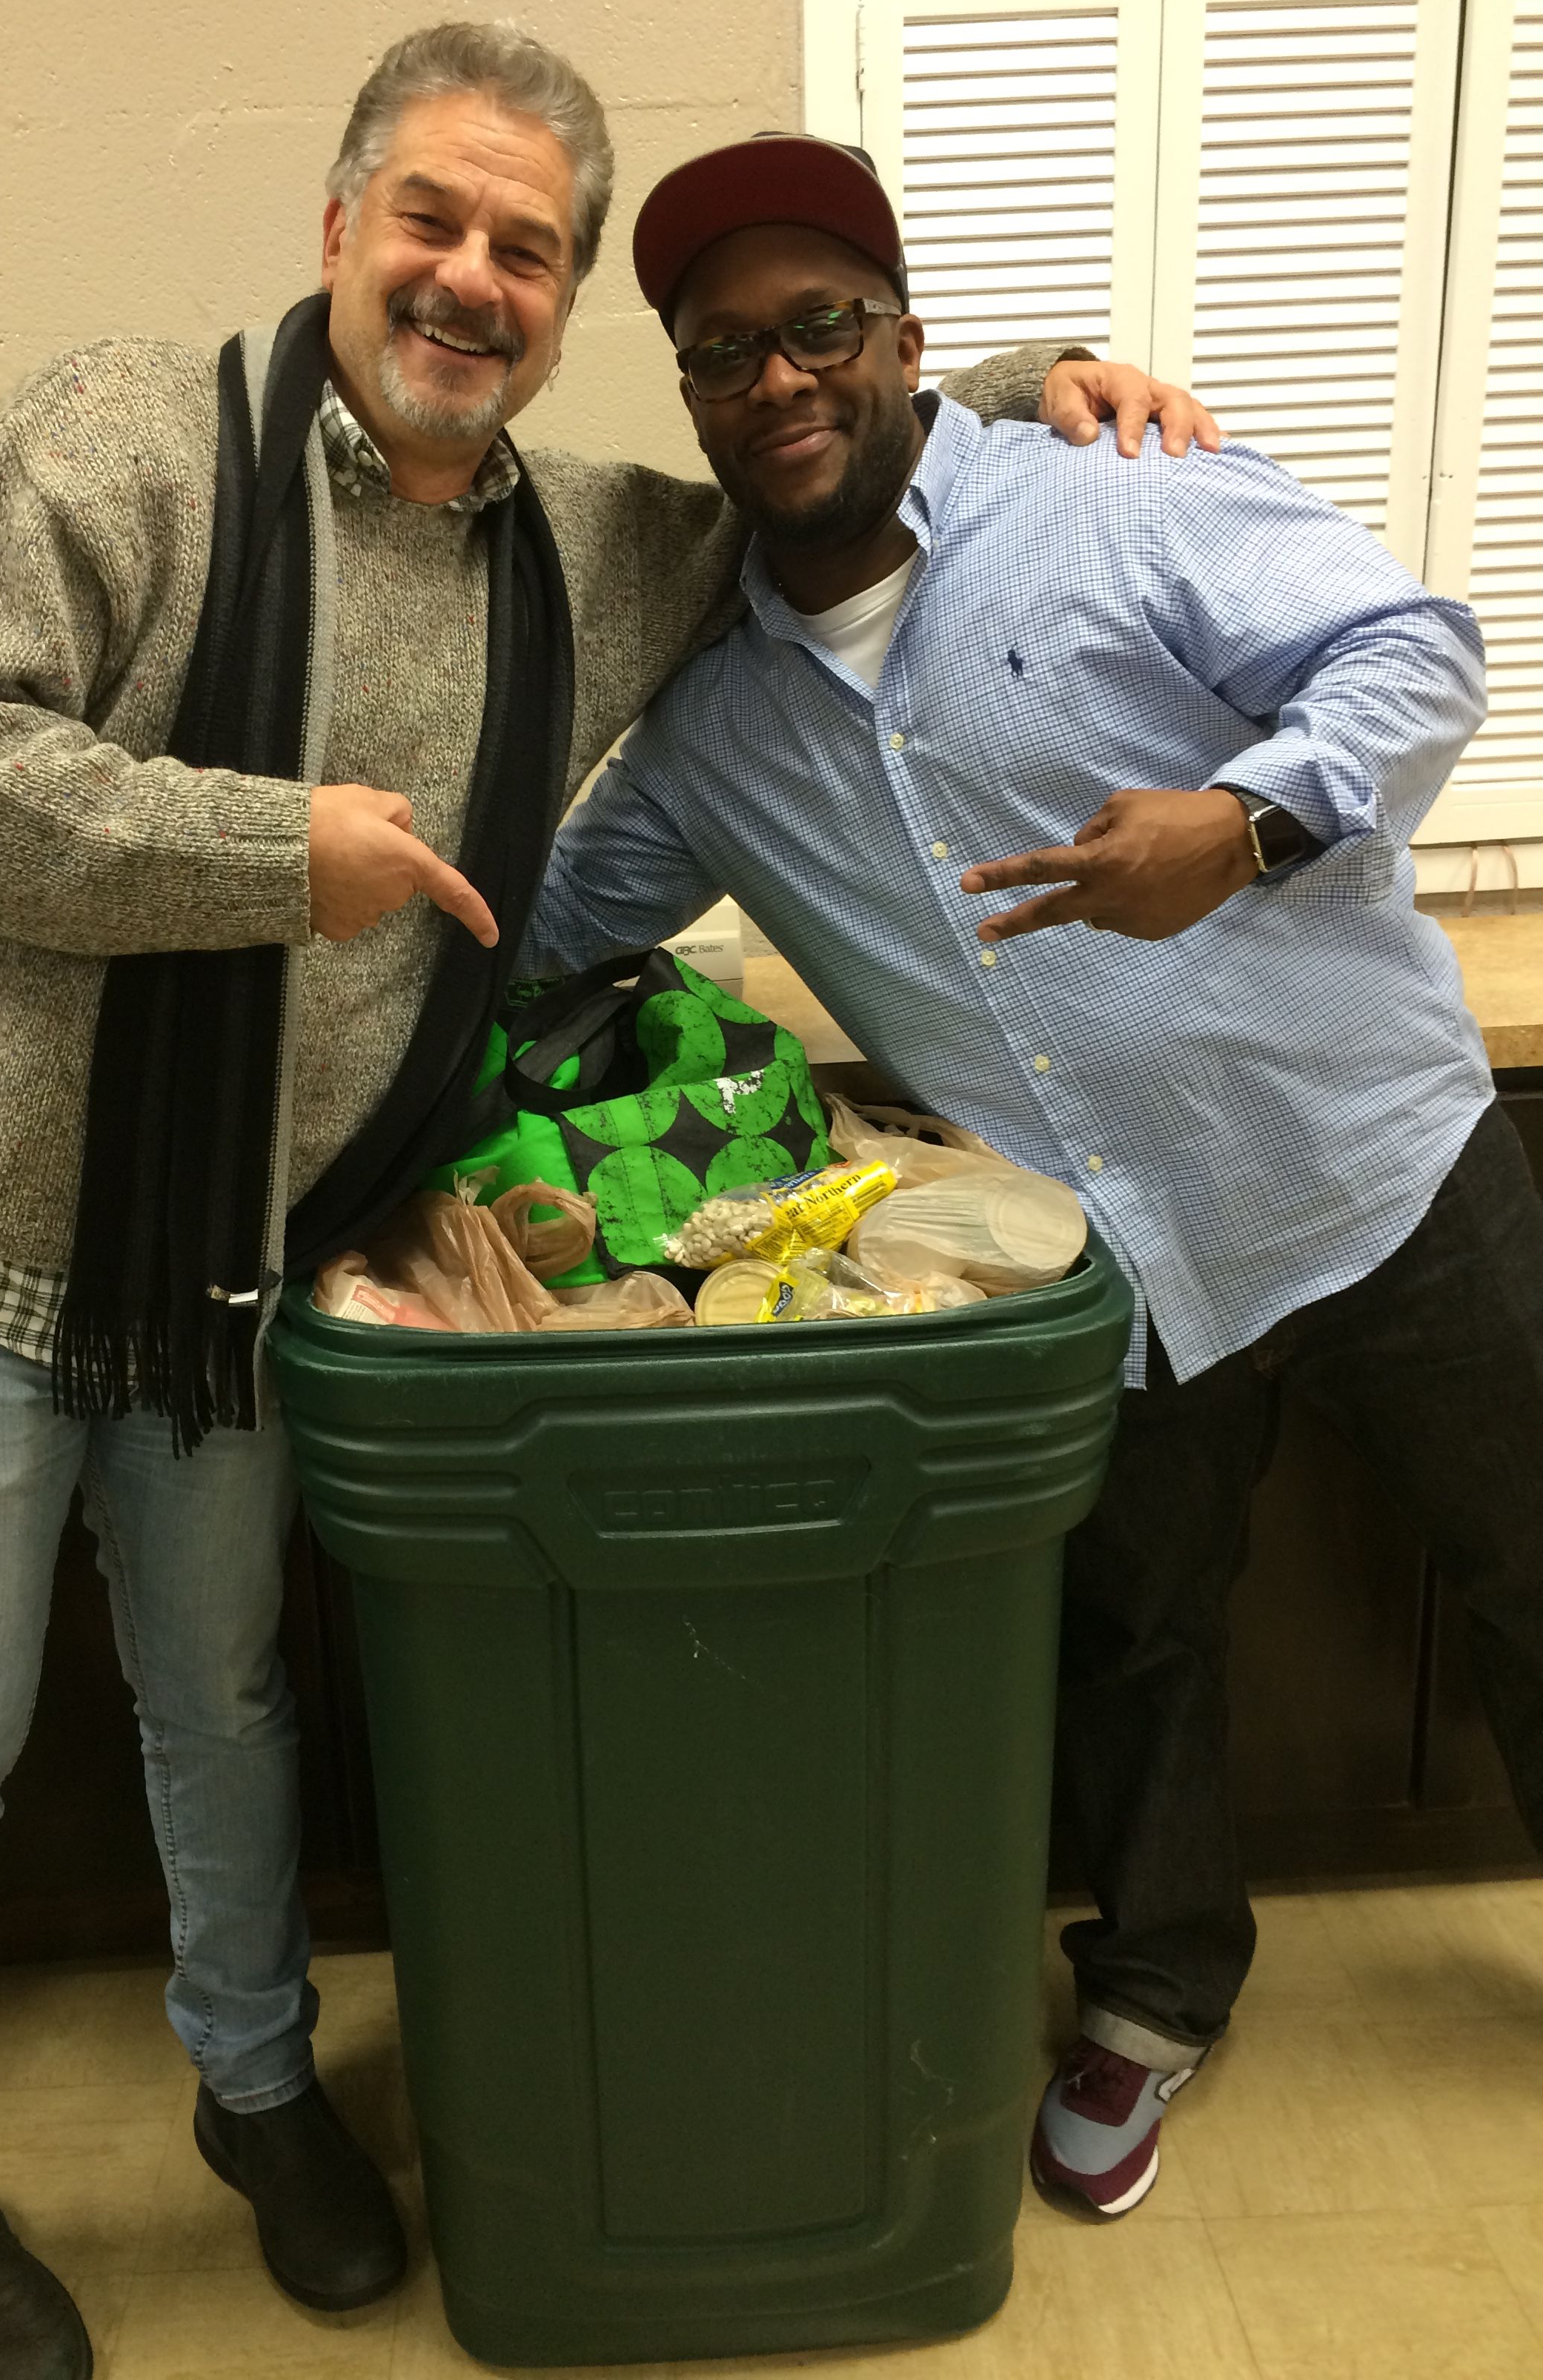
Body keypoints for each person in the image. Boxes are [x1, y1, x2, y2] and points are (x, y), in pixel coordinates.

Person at [0, 20, 1203, 2380]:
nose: (471, 276)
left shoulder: (590, 554)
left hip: (240, 1273)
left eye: (526, 251)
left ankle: (257, 2094)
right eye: (432, 220)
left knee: (226, 1712)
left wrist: (1033, 377)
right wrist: (272, 850)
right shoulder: (127, 436)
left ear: (559, 312)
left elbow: (802, 457)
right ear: (342, 226)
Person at [530, 130, 1542, 2225]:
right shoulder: (705, 723)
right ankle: (1157, 1995)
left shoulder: (1114, 498)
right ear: (694, 392)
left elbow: (1415, 649)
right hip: (1106, 1269)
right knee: (1130, 1642)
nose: (780, 376)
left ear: (905, 340)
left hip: (1380, 1176)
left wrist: (1243, 825)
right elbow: (538, 925)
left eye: (821, 324)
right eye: (725, 350)